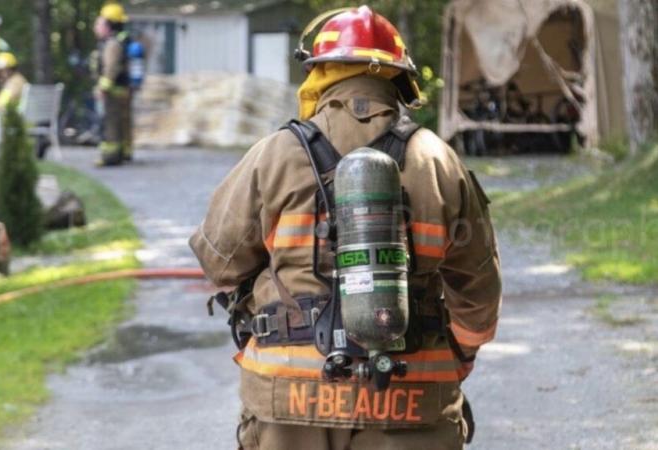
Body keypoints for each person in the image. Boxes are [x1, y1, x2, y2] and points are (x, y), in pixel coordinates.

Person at [190, 6, 502, 450]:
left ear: (319, 75)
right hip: (413, 404)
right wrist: (459, 356)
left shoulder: (275, 155)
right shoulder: (437, 160)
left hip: (289, 405)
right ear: (400, 80)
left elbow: (219, 263)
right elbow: (479, 299)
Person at [93, 2, 133, 166]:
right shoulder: (116, 42)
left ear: (108, 24)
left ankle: (111, 157)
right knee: (120, 124)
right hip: (119, 90)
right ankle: (122, 153)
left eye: (99, 23)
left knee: (111, 125)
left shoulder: (111, 45)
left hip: (113, 92)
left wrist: (102, 88)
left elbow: (110, 69)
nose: (96, 27)